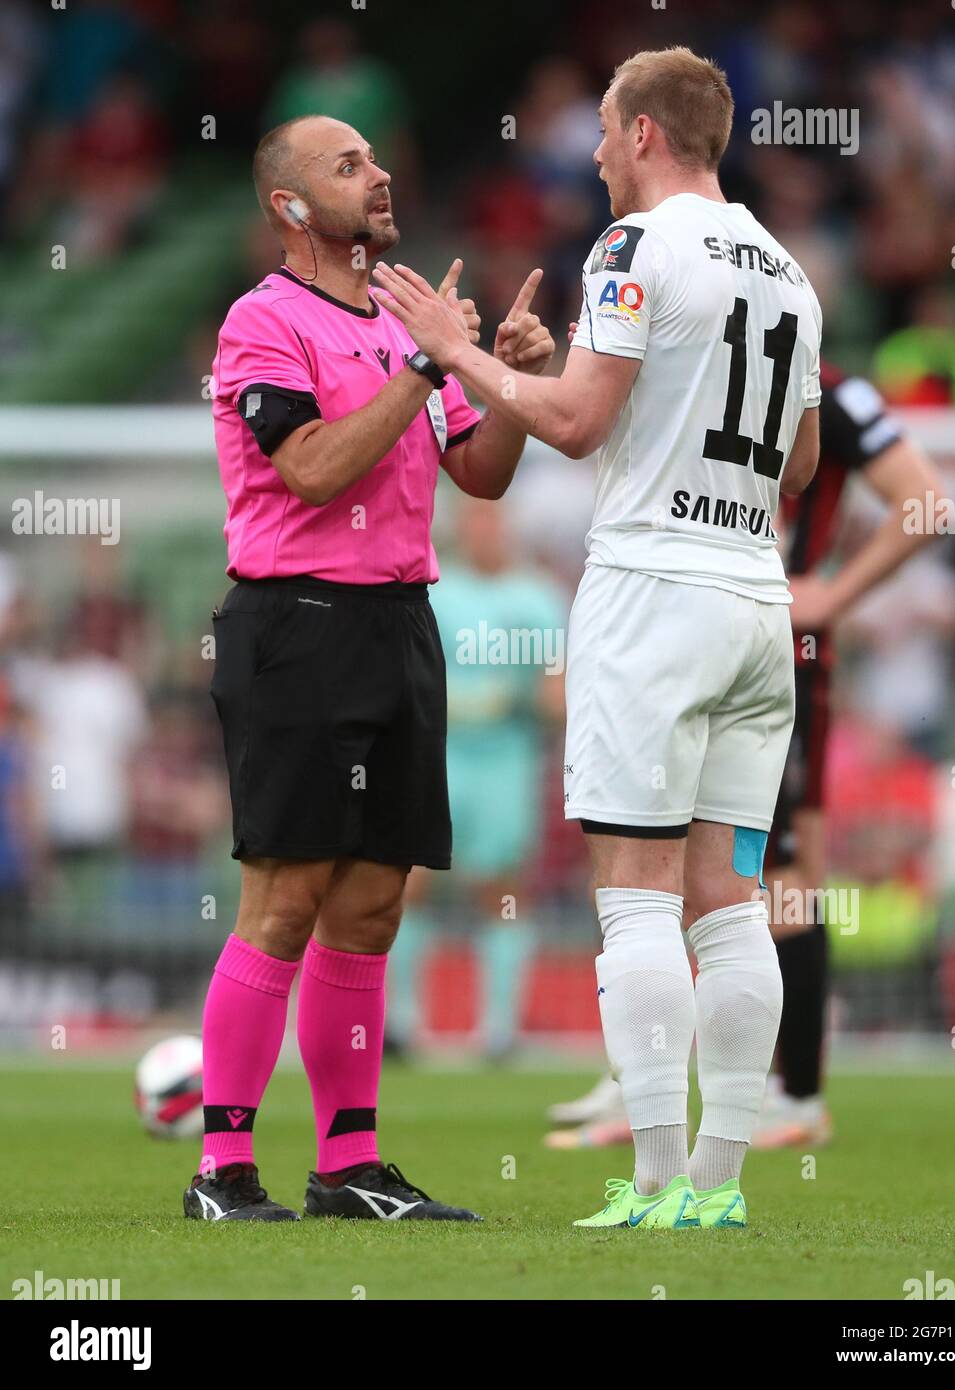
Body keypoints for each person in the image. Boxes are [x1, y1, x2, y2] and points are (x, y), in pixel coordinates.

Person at [375, 45, 821, 1230]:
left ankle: (660, 1180)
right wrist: (566, 378)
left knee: (633, 896)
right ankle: (720, 1192)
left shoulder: (631, 248)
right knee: (727, 897)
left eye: (603, 131)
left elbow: (572, 426)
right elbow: (805, 462)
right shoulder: (790, 270)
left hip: (653, 596)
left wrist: (458, 351)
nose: (589, 153)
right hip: (755, 602)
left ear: (639, 135)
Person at [189, 113, 554, 1223]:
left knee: (372, 905)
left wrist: (511, 384)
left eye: (377, 158)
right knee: (286, 897)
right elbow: (306, 468)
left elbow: (478, 474)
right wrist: (423, 358)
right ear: (291, 208)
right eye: (348, 164)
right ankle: (223, 1170)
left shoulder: (403, 315)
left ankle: (348, 1165)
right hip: (295, 624)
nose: (381, 172)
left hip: (399, 620)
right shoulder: (263, 321)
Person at [543, 366, 945, 1151]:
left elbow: (925, 500)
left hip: (770, 646)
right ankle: (656, 1081)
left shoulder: (828, 387)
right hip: (680, 635)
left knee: (774, 881)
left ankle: (792, 1095)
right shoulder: (683, 364)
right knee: (672, 870)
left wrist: (830, 593)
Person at [387, 496, 566, 1059]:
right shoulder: (434, 592)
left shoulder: (538, 599)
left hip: (505, 764)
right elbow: (403, 676)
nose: (483, 530)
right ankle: (400, 1025)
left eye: (493, 521)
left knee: (501, 890)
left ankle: (499, 1030)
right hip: (435, 758)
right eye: (474, 520)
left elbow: (560, 693)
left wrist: (514, 698)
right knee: (409, 882)